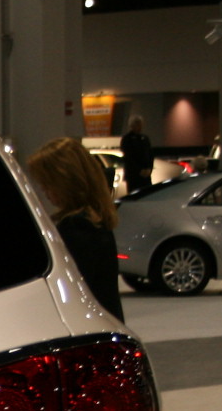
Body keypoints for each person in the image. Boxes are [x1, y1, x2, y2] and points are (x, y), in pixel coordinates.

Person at [27, 137, 124, 320]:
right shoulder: (95, 220)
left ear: (66, 181)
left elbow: (68, 292)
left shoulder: (76, 228)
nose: (44, 190)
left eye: (48, 183)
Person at [119, 114, 153, 196]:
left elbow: (150, 154)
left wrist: (149, 168)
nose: (140, 126)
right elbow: (128, 158)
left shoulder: (145, 138)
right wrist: (139, 170)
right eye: (138, 124)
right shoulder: (127, 139)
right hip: (133, 176)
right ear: (132, 125)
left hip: (146, 175)